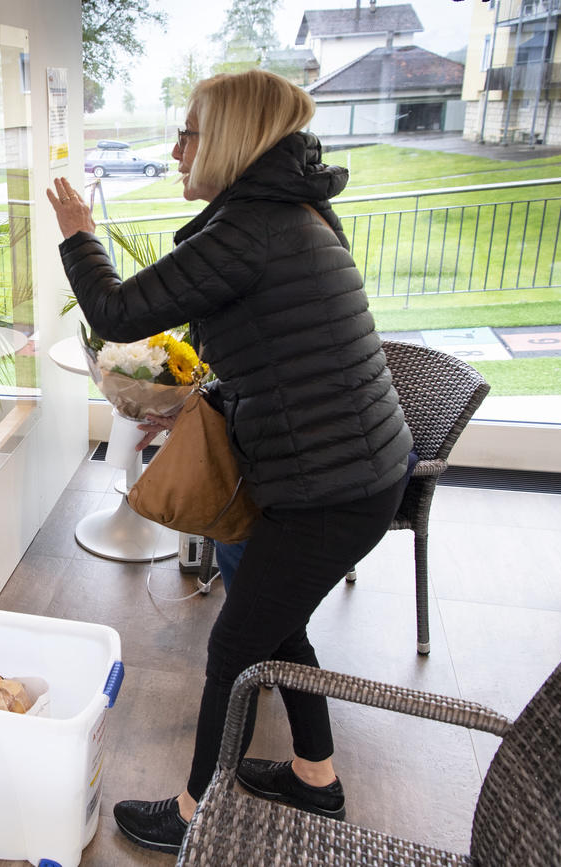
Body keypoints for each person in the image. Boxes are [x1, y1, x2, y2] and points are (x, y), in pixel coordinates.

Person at [48, 68, 414, 855]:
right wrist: (190, 407)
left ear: (232, 141)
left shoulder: (251, 229)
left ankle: (192, 814)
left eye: (189, 132)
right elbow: (275, 350)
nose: (176, 149)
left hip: (330, 488)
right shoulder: (293, 211)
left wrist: (77, 230)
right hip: (347, 471)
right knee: (278, 621)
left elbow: (115, 311)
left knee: (234, 644)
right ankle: (317, 778)